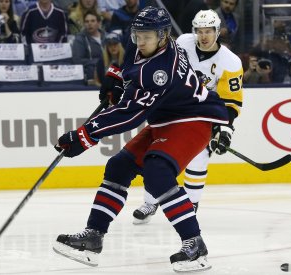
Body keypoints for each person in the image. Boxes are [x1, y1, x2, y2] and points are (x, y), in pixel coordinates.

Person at [52, 6, 229, 273]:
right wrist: (116, 78)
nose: (141, 40)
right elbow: (128, 65)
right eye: (138, 34)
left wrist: (84, 135)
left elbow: (130, 117)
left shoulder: (160, 71)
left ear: (163, 35)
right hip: (166, 118)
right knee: (118, 167)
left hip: (193, 120)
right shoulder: (142, 42)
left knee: (157, 171)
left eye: (147, 36)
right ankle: (93, 237)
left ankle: (195, 245)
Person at [132, 9, 243, 224]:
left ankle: (191, 204)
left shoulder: (230, 62)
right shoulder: (182, 42)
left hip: (203, 114)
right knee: (156, 155)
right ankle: (150, 201)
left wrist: (225, 129)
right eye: (199, 31)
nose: (203, 36)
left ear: (217, 31)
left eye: (208, 31)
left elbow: (232, 101)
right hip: (172, 107)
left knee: (199, 158)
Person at [72, 10, 105, 84]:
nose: (89, 24)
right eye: (87, 21)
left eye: (93, 21)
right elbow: (77, 60)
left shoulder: (107, 37)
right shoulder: (79, 39)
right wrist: (99, 62)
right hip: (90, 74)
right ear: (84, 24)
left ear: (99, 23)